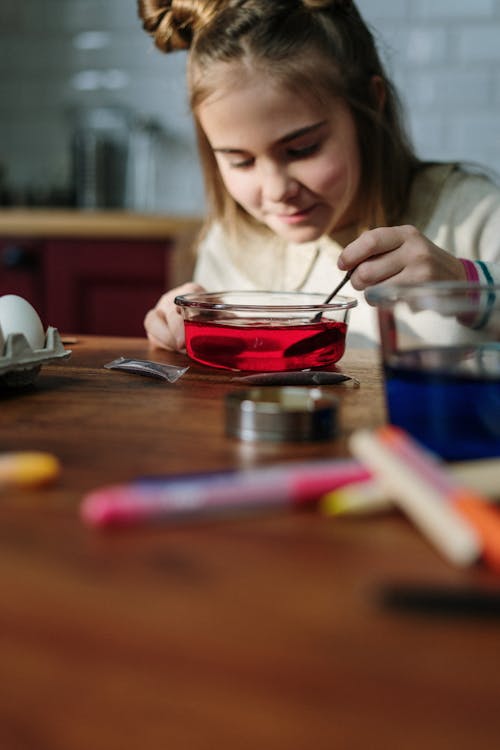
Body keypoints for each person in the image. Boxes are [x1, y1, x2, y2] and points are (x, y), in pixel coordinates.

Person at [137, 0, 500, 351]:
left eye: (302, 149)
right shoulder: (231, 242)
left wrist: (463, 282)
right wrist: (177, 331)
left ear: (370, 105)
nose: (277, 191)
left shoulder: (472, 214)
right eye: (240, 161)